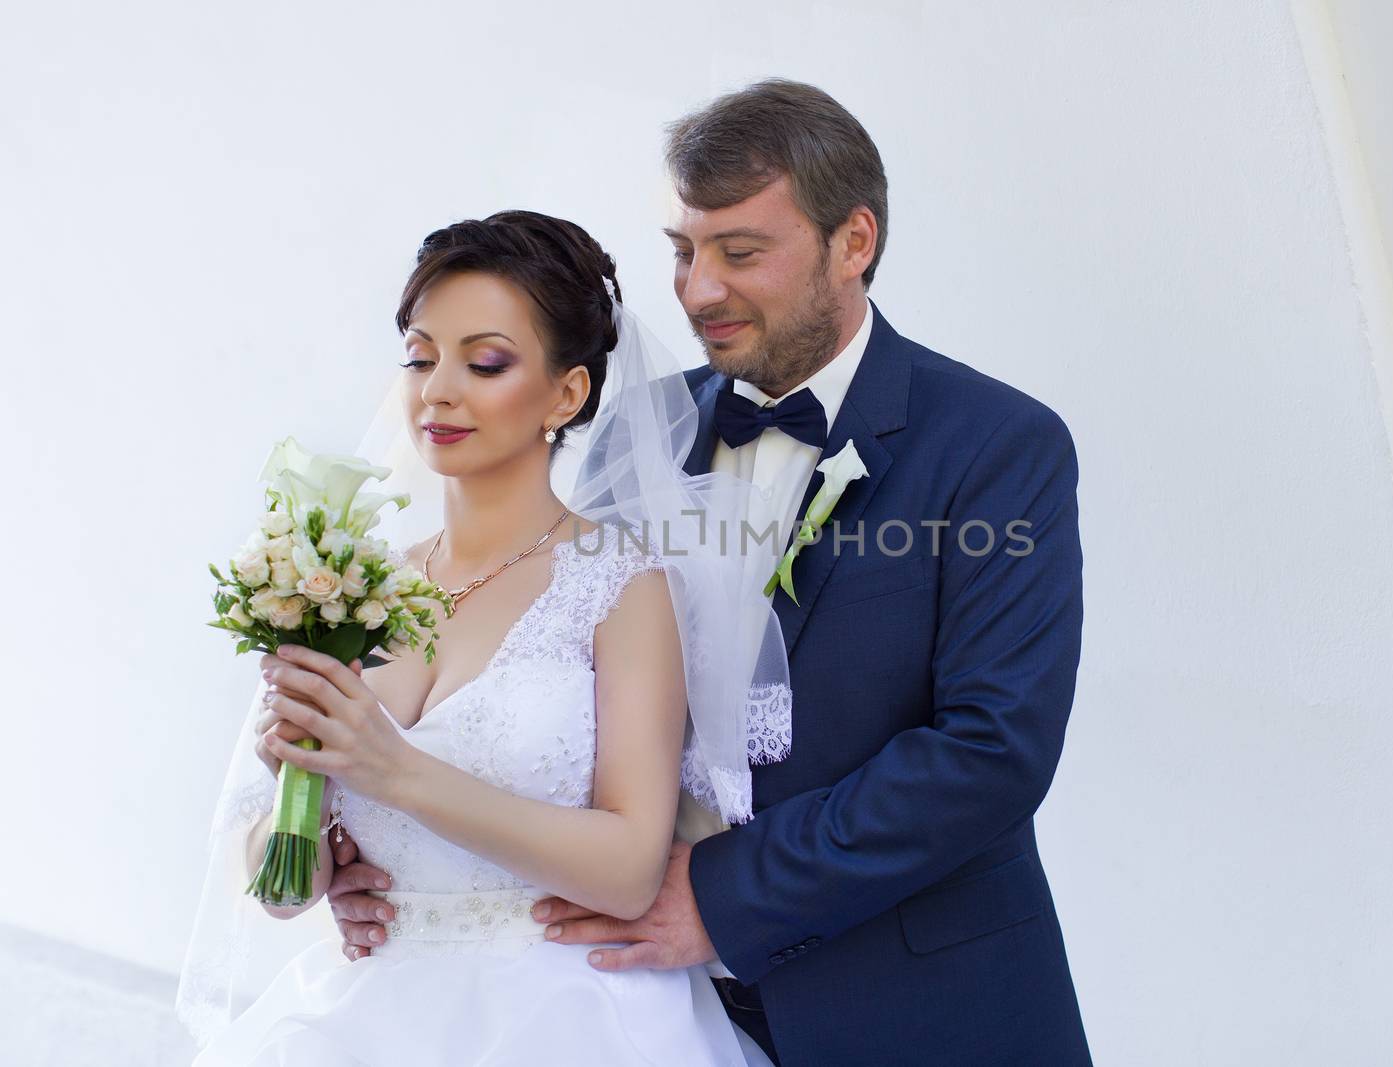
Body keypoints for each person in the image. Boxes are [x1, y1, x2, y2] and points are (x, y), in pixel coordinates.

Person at [334, 78, 1095, 1066]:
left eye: (740, 252)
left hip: (911, 1004)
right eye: (684, 252)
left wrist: (724, 893)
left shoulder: (998, 446)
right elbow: (555, 687)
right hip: (630, 1006)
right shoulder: (631, 438)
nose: (698, 289)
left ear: (852, 241)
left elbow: (992, 750)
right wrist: (389, 855)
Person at [177, 210, 791, 1065]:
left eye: (486, 361)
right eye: (422, 357)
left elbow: (628, 866)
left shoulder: (620, 582)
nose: (439, 389)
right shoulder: (352, 587)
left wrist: (390, 769)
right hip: (369, 1013)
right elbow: (281, 894)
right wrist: (298, 795)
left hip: (569, 1015)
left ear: (567, 393)